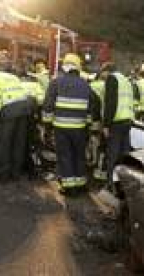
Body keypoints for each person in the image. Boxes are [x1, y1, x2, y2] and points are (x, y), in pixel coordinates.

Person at [43, 53, 99, 194]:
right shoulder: (86, 85)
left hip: (61, 128)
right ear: (78, 68)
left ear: (65, 68)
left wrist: (47, 125)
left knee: (65, 156)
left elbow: (48, 105)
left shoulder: (56, 82)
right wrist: (89, 126)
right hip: (80, 128)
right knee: (79, 155)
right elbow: (93, 106)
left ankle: (69, 188)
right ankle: (80, 185)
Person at [0, 54, 33, 183]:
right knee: (18, 143)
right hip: (24, 110)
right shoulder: (13, 77)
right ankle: (16, 173)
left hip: (10, 111)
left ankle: (3, 175)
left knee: (5, 144)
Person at [100, 62, 135, 186]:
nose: (101, 75)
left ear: (107, 71)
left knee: (112, 154)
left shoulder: (111, 79)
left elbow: (111, 103)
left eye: (102, 72)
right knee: (124, 154)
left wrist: (106, 125)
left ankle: (110, 183)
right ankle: (123, 183)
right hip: (127, 121)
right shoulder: (126, 80)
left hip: (116, 122)